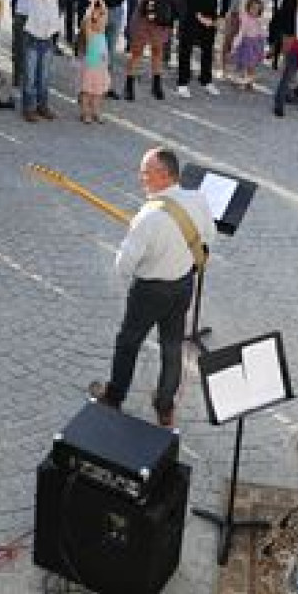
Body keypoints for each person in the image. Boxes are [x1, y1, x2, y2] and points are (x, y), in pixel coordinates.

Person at [89, 148, 215, 427]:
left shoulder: (147, 217)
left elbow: (124, 264)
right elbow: (208, 238)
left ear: (164, 175)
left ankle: (115, 396)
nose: (141, 178)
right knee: (172, 347)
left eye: (146, 172)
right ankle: (165, 406)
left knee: (128, 342)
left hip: (149, 292)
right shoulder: (198, 199)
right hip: (183, 286)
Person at [77, 0, 110, 123]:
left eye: (102, 18)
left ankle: (96, 112)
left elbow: (105, 11)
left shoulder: (102, 33)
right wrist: (91, 5)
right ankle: (85, 113)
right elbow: (86, 18)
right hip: (91, 67)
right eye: (98, 18)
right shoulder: (90, 33)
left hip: (101, 68)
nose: (102, 20)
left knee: (98, 92)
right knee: (87, 92)